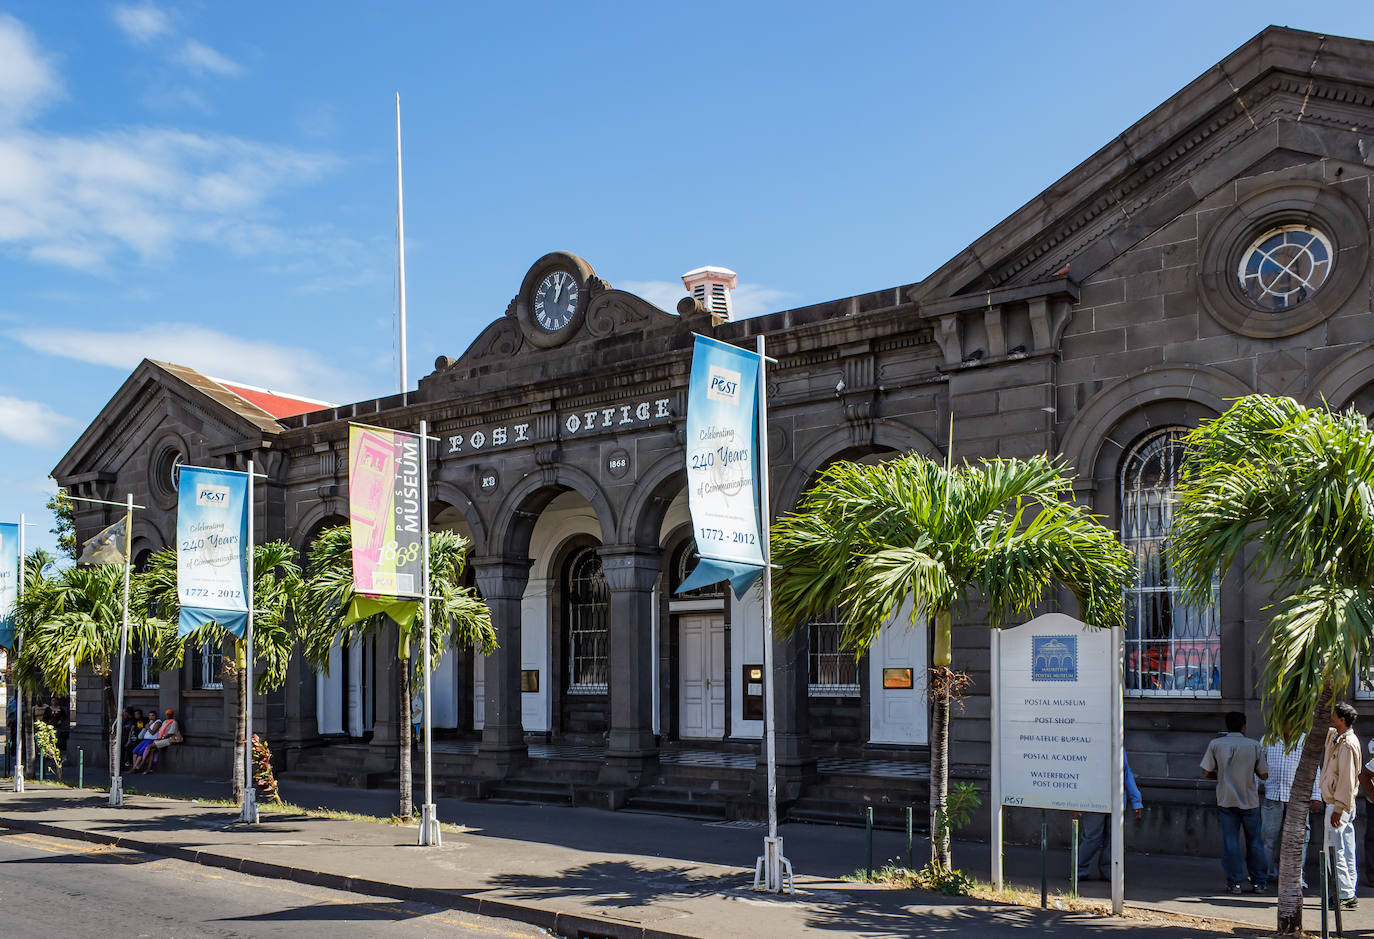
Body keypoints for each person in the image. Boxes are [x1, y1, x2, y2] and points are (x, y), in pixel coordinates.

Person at [1201, 711, 1270, 894]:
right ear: (1243, 726)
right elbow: (1264, 774)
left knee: (1231, 842)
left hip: (1226, 799)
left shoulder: (1216, 744)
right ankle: (1259, 882)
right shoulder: (1254, 745)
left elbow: (1206, 772)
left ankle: (1235, 882)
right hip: (1250, 800)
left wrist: (1222, 776)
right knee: (1254, 842)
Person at [1260, 734, 1320, 890]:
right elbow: (1258, 763)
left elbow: (1314, 768)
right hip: (1273, 794)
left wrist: (1316, 795)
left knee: (1299, 838)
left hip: (1297, 797)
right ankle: (1266, 874)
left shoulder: (1305, 739)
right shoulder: (1268, 739)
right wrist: (1255, 787)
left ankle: (1297, 876)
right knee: (1268, 837)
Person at [1075, 753, 1144, 881]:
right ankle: (1080, 870)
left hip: (1115, 800)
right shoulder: (1092, 745)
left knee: (1113, 838)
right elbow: (1083, 772)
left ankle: (1107, 871)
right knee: (1092, 837)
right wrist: (1078, 800)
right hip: (1094, 800)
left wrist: (1136, 800)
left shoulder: (1119, 746)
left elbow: (1126, 772)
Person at [1320, 701, 1361, 911]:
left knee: (1335, 849)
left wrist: (1338, 808)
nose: (1330, 718)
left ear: (1342, 720)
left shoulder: (1347, 744)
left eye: (1334, 715)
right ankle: (1348, 892)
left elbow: (1347, 778)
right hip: (1341, 803)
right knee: (1346, 848)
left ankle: (1344, 893)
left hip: (1338, 803)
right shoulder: (1338, 738)